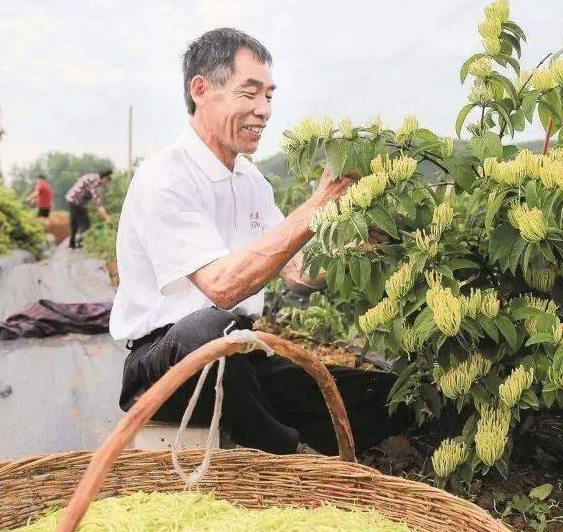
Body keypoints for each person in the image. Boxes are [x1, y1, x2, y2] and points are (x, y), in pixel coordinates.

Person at [109, 28, 408, 457]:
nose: (264, 110)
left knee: (381, 394)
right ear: (201, 90)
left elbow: (299, 271)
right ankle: (282, 450)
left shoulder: (251, 181)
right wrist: (317, 206)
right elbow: (223, 287)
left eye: (269, 95)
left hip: (242, 363)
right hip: (168, 366)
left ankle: (287, 433)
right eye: (250, 93)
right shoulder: (166, 177)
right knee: (214, 329)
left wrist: (367, 246)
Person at [65, 169, 112, 249]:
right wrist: (106, 217)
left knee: (74, 224)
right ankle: (79, 243)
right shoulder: (94, 182)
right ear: (104, 178)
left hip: (72, 199)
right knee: (86, 224)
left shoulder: (93, 177)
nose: (107, 184)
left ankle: (72, 244)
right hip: (77, 202)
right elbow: (98, 203)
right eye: (108, 181)